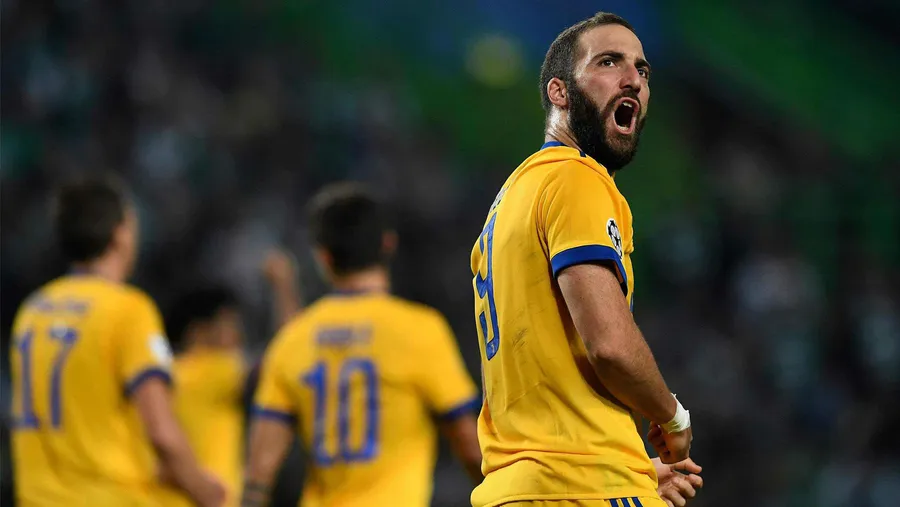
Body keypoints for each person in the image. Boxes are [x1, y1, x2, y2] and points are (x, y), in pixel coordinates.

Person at [469, 12, 702, 507]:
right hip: (582, 484)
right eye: (609, 62)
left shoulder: (511, 200)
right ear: (559, 92)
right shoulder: (577, 179)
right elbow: (610, 345)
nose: (633, 79)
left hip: (516, 488)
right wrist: (671, 416)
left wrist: (637, 468)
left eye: (642, 69)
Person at [243, 183, 482, 507]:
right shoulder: (419, 331)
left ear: (323, 257)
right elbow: (468, 443)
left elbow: (259, 473)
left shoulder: (292, 339)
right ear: (388, 244)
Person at [8, 175, 225, 507]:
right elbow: (161, 432)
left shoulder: (32, 312)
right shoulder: (127, 310)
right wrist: (205, 491)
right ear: (121, 233)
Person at [157, 252, 303, 507]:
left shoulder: (160, 376)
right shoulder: (213, 371)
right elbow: (288, 357)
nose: (238, 336)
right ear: (198, 333)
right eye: (229, 325)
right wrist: (284, 284)